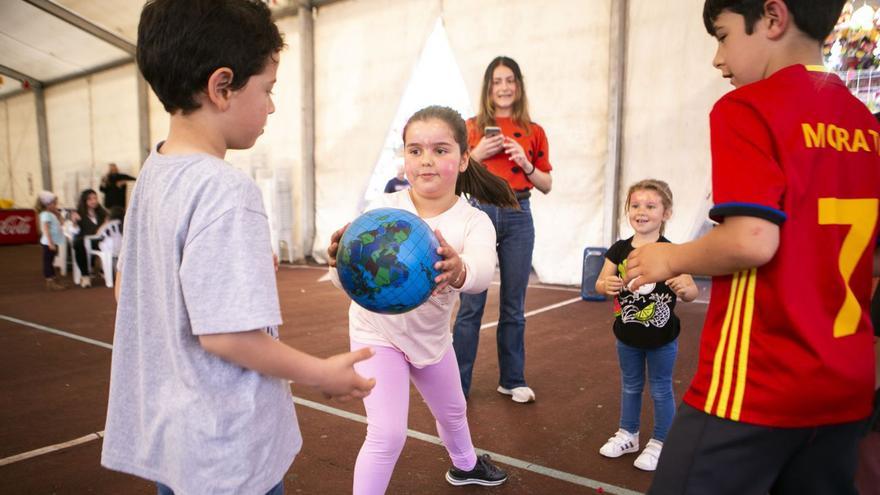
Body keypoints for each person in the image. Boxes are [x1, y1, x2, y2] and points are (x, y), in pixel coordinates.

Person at [100, 2, 375, 494]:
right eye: (267, 89)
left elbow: (128, 288)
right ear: (222, 87)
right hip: (227, 452)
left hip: (178, 444)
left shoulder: (153, 173)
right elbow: (227, 337)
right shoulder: (226, 191)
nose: (271, 106)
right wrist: (321, 373)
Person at [623, 1, 880, 493]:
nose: (718, 59)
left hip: (758, 383)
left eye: (723, 36)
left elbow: (752, 239)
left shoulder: (747, 107)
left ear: (773, 17)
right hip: (844, 385)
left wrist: (668, 257)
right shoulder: (865, 125)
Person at [327, 106, 517, 493]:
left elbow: (482, 272)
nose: (426, 160)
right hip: (376, 334)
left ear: (463, 159)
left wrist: (459, 269)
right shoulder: (382, 211)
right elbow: (345, 281)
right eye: (415, 150)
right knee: (387, 434)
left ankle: (466, 466)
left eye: (440, 150)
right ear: (405, 158)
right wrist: (336, 263)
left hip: (430, 338)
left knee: (454, 411)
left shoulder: (473, 221)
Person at [452, 56, 552, 404]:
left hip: (519, 214)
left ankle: (512, 379)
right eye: (497, 81)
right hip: (479, 212)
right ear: (488, 88)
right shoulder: (470, 127)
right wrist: (477, 153)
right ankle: (458, 385)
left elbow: (547, 184)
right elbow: (454, 175)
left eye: (510, 80)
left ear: (518, 86)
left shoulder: (534, 131)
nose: (504, 87)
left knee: (513, 305)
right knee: (471, 304)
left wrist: (525, 163)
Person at [595, 179, 697, 472]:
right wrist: (606, 285)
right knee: (630, 386)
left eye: (651, 206)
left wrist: (685, 289)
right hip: (626, 335)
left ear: (666, 213)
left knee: (661, 389)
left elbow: (691, 291)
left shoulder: (673, 252)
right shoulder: (618, 249)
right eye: (635, 205)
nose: (641, 211)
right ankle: (628, 434)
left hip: (662, 338)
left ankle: (662, 441)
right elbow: (599, 283)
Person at [70, 189, 107, 288]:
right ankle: (85, 275)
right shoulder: (78, 213)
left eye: (95, 198)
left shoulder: (102, 213)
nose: (93, 201)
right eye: (90, 199)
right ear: (84, 201)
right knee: (78, 244)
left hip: (99, 241)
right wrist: (74, 222)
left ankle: (103, 269)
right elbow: (74, 232)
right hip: (84, 240)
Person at [35, 190, 66, 291]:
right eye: (54, 203)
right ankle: (50, 280)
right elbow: (46, 229)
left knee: (50, 261)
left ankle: (53, 278)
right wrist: (50, 242)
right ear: (47, 204)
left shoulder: (51, 214)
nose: (56, 205)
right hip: (48, 242)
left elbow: (62, 222)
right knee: (48, 262)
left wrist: (58, 213)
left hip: (53, 242)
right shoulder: (45, 214)